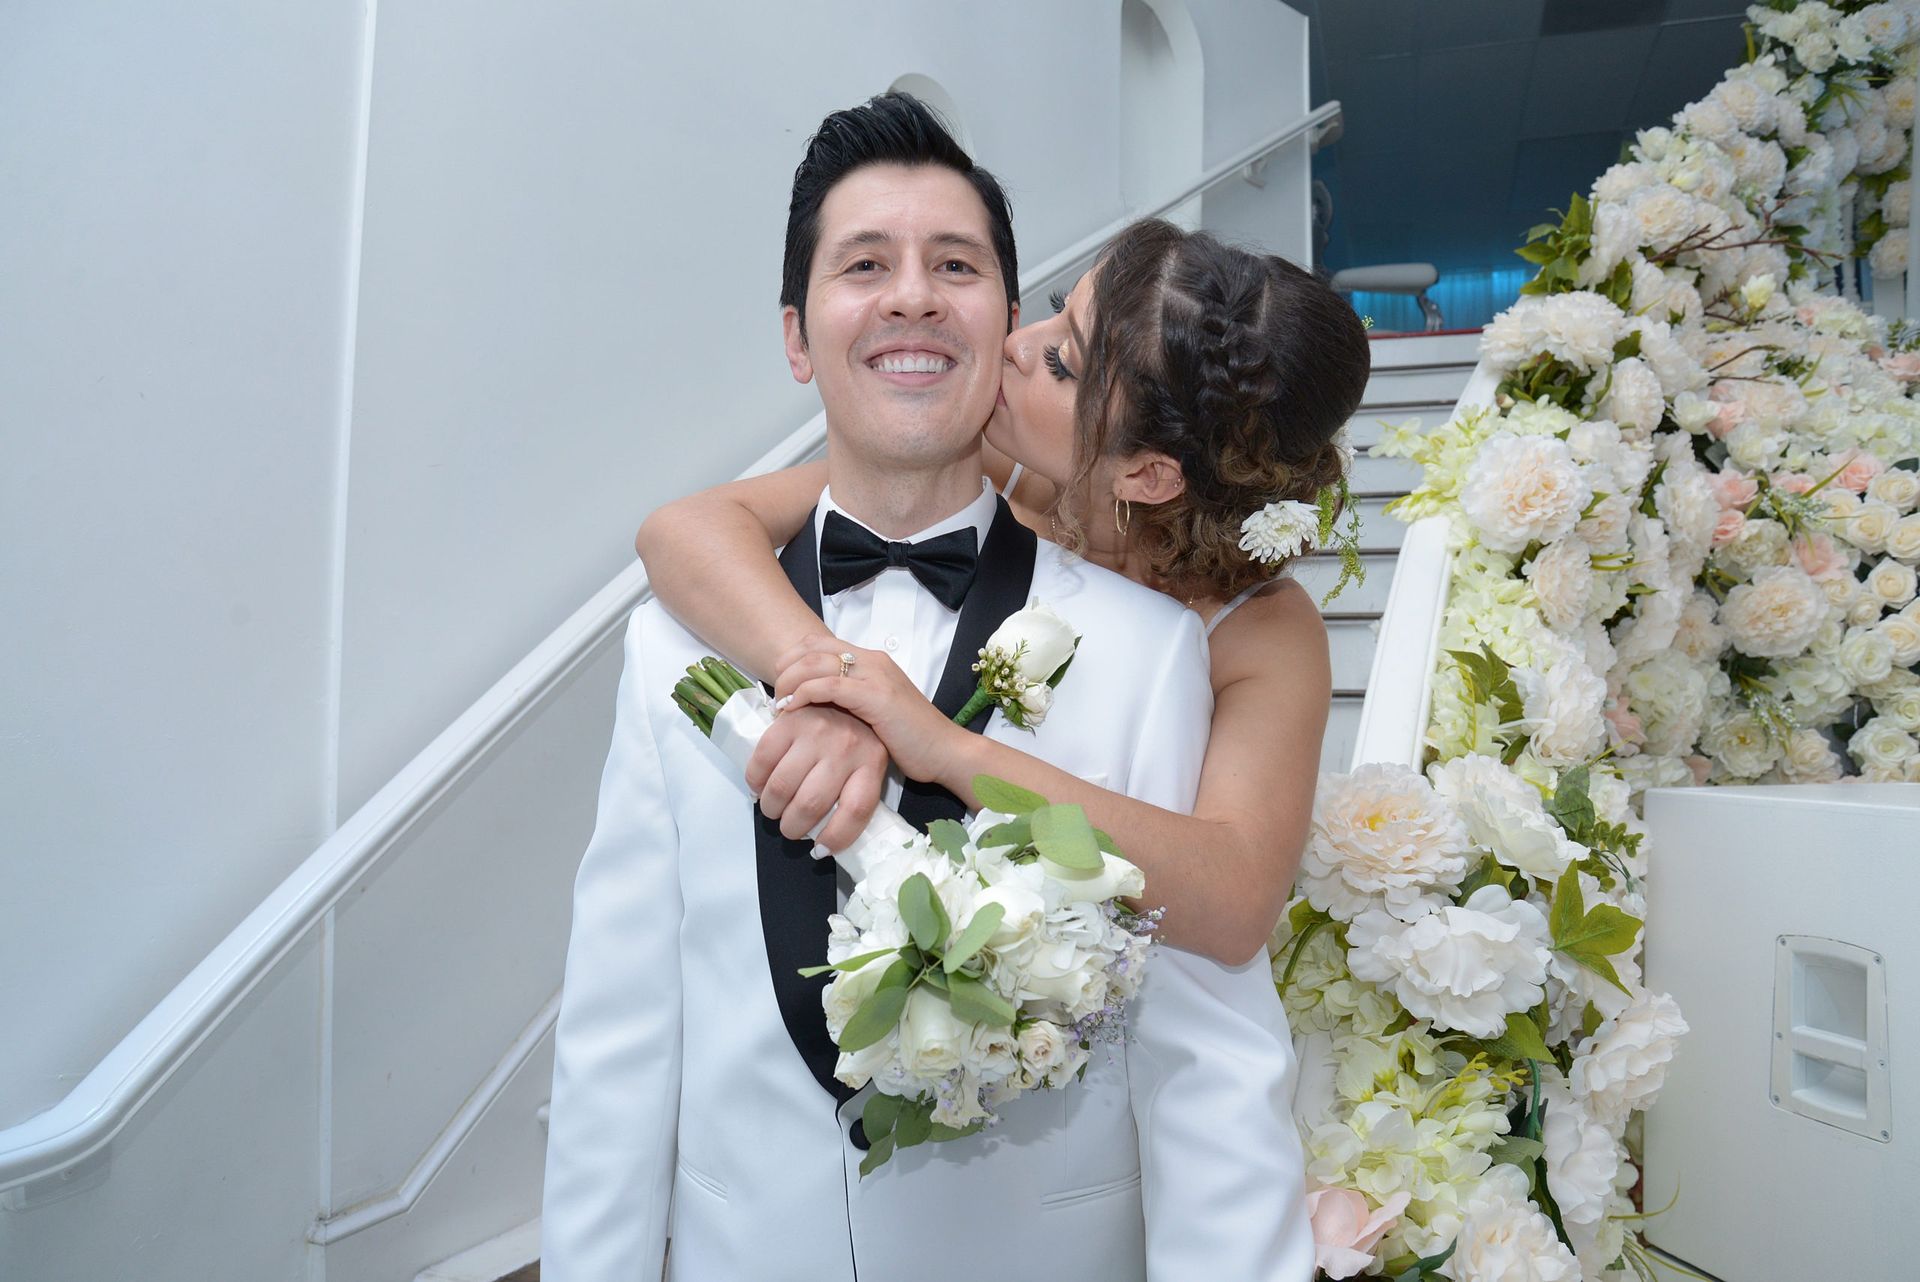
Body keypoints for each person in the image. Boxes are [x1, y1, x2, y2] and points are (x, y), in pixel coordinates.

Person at [543, 93, 1331, 1282]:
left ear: (999, 322)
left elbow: (1204, 1050)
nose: (913, 294)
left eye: (954, 266)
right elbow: (615, 1042)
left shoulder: (1164, 646)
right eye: (866, 264)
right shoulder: (678, 645)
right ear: (799, 339)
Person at [637, 212, 1371, 971]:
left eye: (1062, 363)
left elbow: (1234, 901)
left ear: (1147, 475)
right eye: (1057, 307)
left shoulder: (1262, 630)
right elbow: (685, 532)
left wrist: (946, 750)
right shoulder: (983, 468)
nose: (1017, 345)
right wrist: (834, 679)